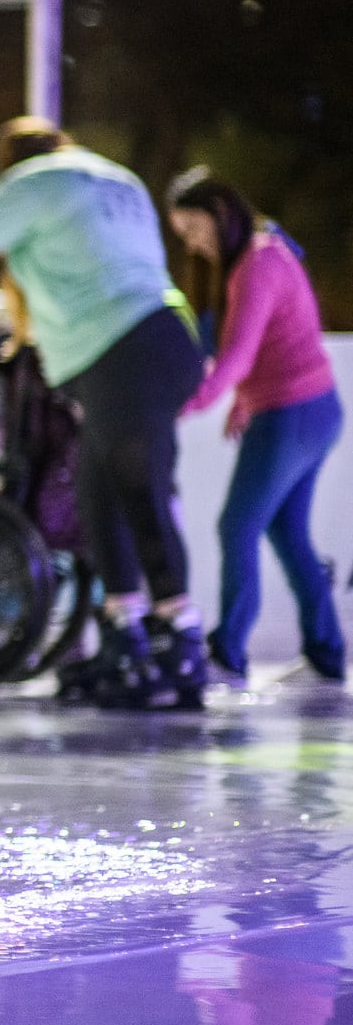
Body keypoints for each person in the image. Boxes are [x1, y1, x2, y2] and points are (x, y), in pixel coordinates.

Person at [0, 119, 207, 709]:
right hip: (165, 333)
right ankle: (126, 629)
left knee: (138, 492)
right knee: (99, 490)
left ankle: (179, 639)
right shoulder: (117, 178)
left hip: (120, 347)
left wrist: (8, 226)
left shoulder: (35, 181)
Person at [169, 175, 344, 682]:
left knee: (238, 526)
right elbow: (271, 343)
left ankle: (228, 650)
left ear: (221, 213)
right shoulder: (260, 256)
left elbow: (238, 354)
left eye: (195, 228)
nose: (194, 245)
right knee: (288, 534)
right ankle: (327, 650)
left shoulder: (259, 263)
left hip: (292, 413)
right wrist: (243, 402)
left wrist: (187, 403)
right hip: (312, 409)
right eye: (184, 235)